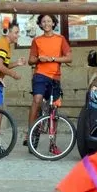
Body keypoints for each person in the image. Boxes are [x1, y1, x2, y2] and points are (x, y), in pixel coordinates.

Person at [25, 14, 71, 146]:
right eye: (43, 21)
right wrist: (39, 58)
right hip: (40, 74)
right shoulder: (37, 40)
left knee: (54, 108)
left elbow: (69, 58)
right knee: (37, 99)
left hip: (55, 76)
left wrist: (52, 59)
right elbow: (30, 60)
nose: (46, 24)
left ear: (53, 23)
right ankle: (30, 132)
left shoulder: (60, 39)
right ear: (40, 24)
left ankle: (52, 143)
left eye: (49, 21)